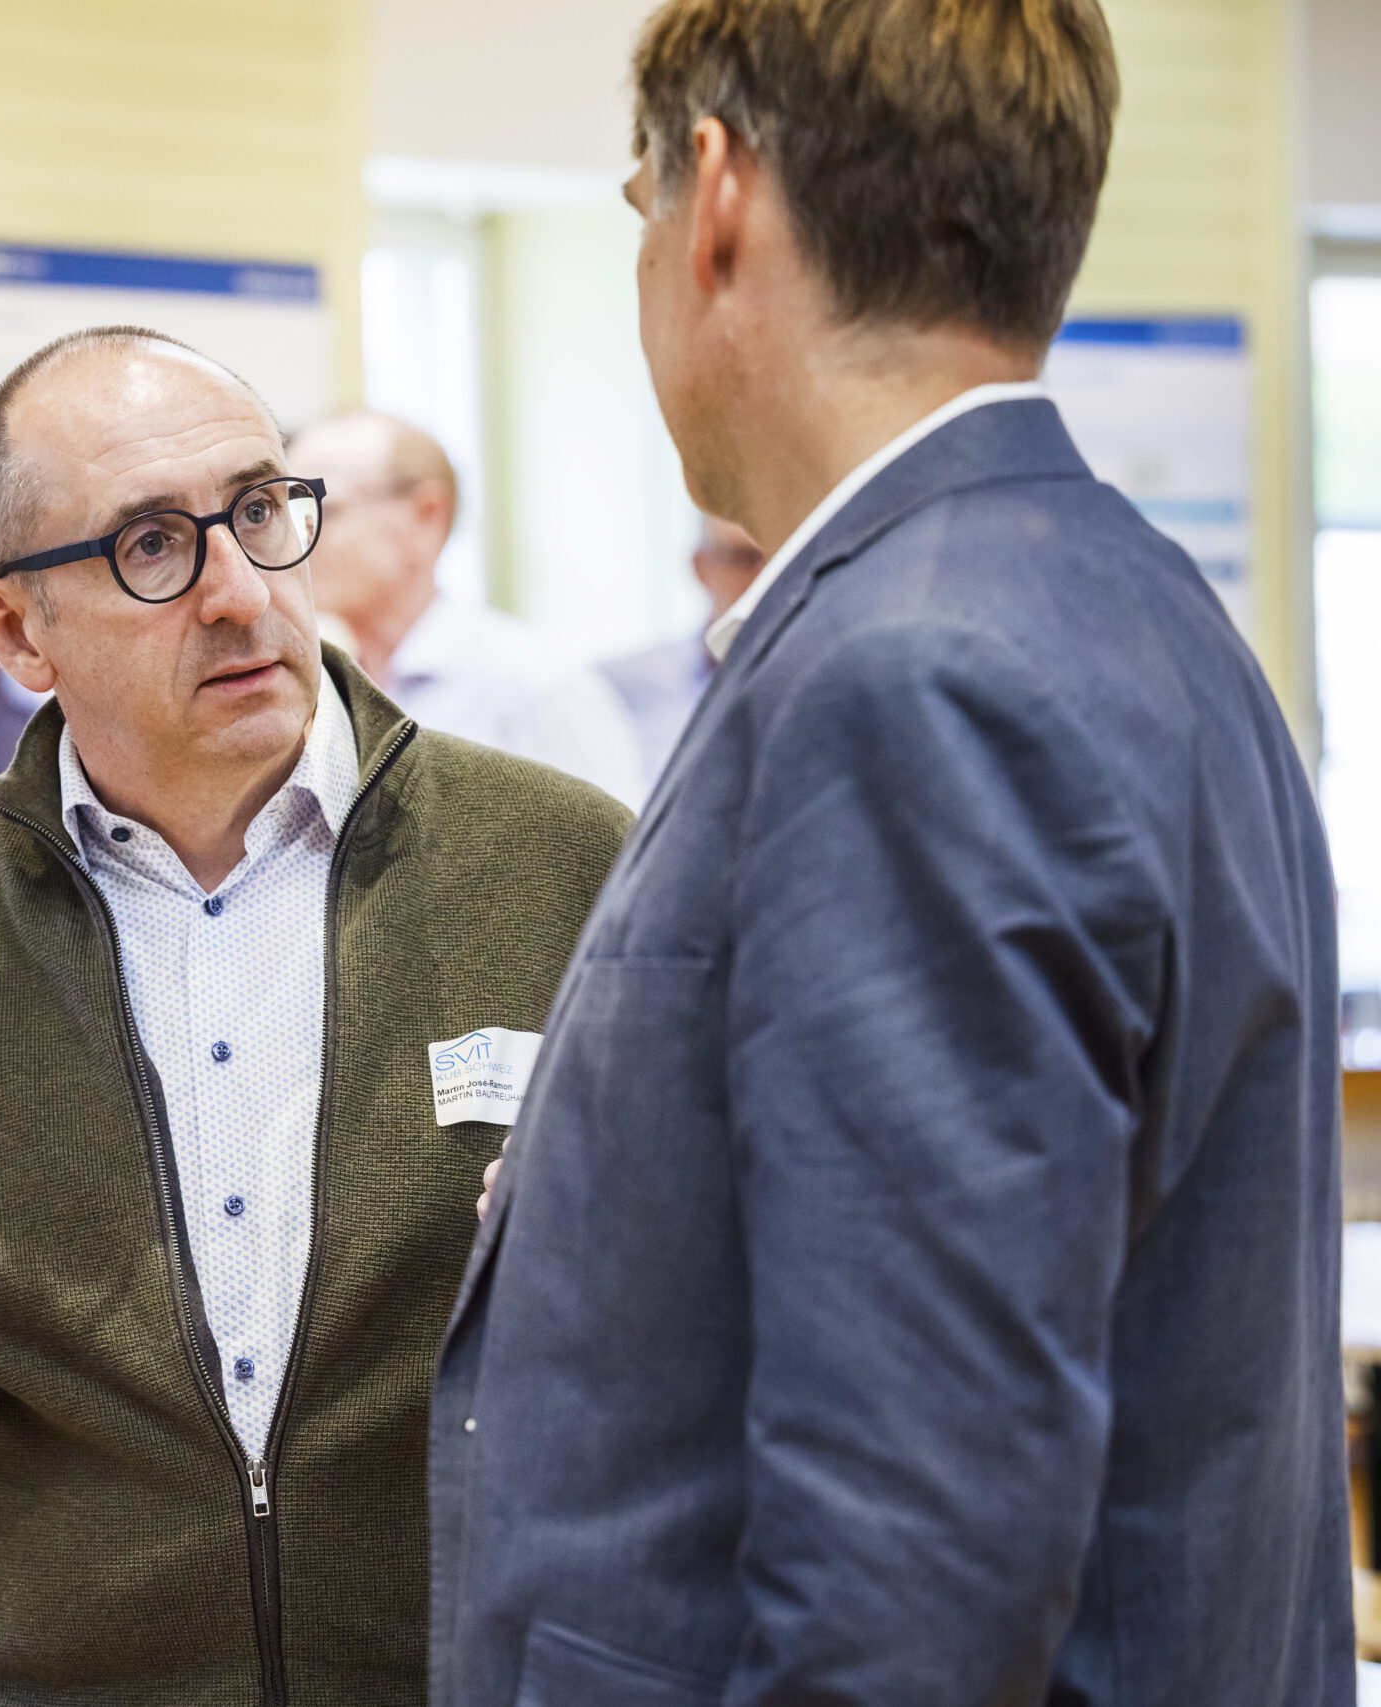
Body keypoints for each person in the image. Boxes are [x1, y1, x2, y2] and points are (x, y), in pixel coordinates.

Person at [435, 2, 1350, 1703]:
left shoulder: (911, 673)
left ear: (715, 196)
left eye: (635, 206)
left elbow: (918, 1552)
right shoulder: (1134, 600)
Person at [0, 326, 630, 1704]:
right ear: (13, 629)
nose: (239, 591)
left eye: (258, 511)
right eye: (152, 546)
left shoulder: (563, 865)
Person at [286, 408, 647, 805]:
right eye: (286, 516)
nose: (296, 541)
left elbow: (615, 838)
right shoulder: (314, 688)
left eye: (326, 511)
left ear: (425, 517)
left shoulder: (535, 689)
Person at [596, 515, 764, 788]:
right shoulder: (613, 689)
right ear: (700, 567)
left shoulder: (821, 683)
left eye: (780, 560)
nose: (765, 577)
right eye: (744, 559)